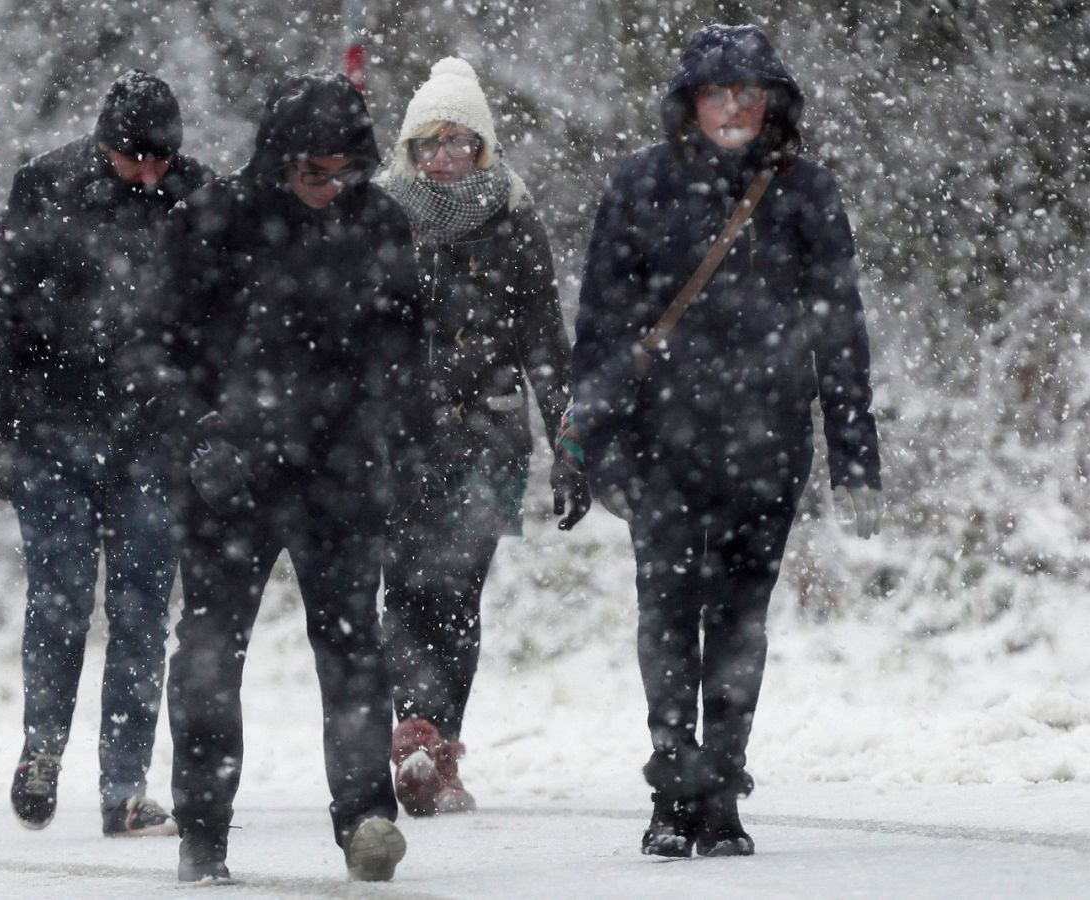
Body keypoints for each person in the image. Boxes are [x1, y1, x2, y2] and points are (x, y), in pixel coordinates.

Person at [568, 25, 885, 858]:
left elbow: (839, 328)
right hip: (658, 441)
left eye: (751, 93)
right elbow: (602, 323)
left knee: (741, 617)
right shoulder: (640, 183)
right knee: (667, 609)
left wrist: (855, 451)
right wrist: (591, 444)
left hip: (768, 441)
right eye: (720, 93)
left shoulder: (804, 191)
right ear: (691, 105)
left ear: (775, 104)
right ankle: (674, 783)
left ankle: (722, 787)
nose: (737, 108)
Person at [157, 72, 421, 883]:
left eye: (345, 170)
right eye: (315, 171)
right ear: (278, 159)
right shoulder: (210, 222)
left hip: (339, 473)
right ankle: (203, 831)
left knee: (352, 649)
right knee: (208, 651)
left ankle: (367, 818)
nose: (329, 187)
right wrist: (200, 439)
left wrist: (401, 447)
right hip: (229, 477)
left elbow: (404, 348)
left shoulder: (378, 222)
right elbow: (162, 355)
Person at [0, 68, 211, 837]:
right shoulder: (44, 188)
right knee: (60, 600)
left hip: (155, 438)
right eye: (134, 159)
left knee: (141, 615)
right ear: (104, 145)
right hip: (53, 433)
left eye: (159, 161)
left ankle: (125, 788)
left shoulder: (199, 199)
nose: (147, 173)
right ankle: (41, 750)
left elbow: (222, 321)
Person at [374, 57, 590, 818]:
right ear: (409, 147)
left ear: (481, 147)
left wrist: (571, 440)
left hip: (489, 436)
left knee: (458, 594)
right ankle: (412, 735)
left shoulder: (514, 216)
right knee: (404, 589)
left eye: (457, 141)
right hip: (399, 436)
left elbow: (542, 338)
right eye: (428, 141)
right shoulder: (380, 215)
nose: (441, 155)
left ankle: (440, 748)